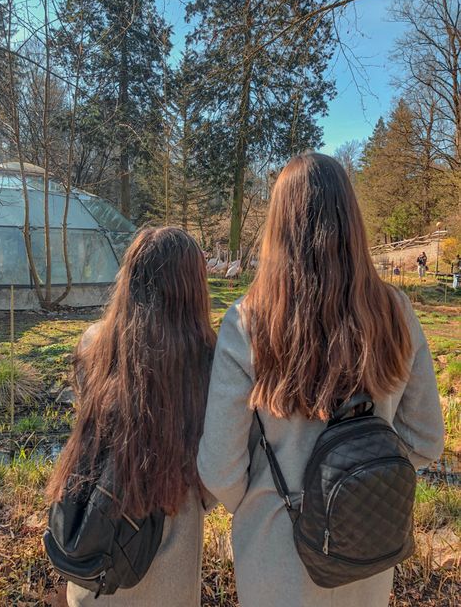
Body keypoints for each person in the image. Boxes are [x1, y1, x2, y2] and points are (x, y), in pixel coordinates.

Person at [198, 153, 444, 607]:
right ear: (351, 219)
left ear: (278, 225)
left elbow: (219, 467)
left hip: (277, 551)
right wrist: (363, 478)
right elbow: (425, 439)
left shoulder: (249, 321)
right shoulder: (396, 312)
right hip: (365, 551)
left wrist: (264, 503)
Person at [47, 227, 216, 607]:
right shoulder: (208, 362)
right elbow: (217, 474)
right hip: (170, 567)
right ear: (193, 289)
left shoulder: (94, 345)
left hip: (95, 558)